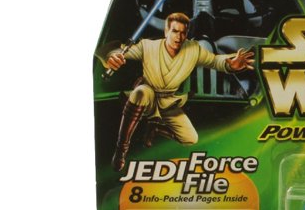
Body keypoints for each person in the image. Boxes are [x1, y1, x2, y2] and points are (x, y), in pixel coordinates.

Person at [101, 12, 255, 171]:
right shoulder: (148, 46)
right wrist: (112, 57)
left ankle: (156, 128)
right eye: (175, 31)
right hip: (148, 93)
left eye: (183, 32)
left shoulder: (193, 49)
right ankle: (121, 149)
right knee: (141, 92)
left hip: (168, 101)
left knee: (190, 138)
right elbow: (117, 50)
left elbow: (214, 60)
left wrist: (230, 64)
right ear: (166, 31)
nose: (179, 37)